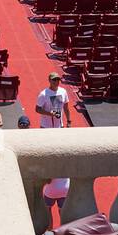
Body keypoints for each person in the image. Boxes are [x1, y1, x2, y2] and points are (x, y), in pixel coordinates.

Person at [36, 70, 72, 214]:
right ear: (49, 81)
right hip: (46, 127)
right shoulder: (43, 94)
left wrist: (68, 122)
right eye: (53, 80)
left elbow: (66, 108)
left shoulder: (63, 92)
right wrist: (49, 113)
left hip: (59, 127)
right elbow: (37, 109)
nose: (56, 82)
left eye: (58, 80)